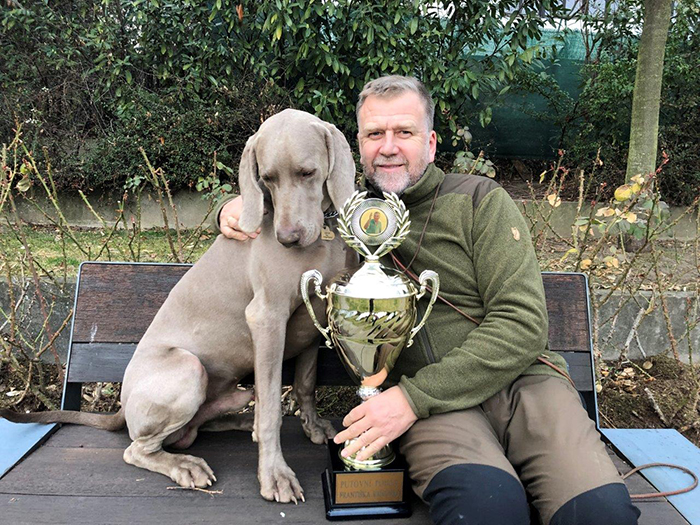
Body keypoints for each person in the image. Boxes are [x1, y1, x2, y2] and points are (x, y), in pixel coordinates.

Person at [216, 76, 640, 525]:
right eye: (375, 135)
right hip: (438, 417)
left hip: (523, 386)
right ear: (355, 148)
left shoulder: (479, 200)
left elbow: (524, 322)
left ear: (432, 142)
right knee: (485, 509)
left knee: (601, 514)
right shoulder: (348, 218)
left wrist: (412, 400)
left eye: (405, 132)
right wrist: (237, 208)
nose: (389, 147)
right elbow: (285, 195)